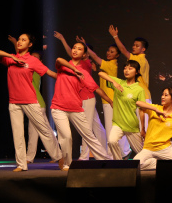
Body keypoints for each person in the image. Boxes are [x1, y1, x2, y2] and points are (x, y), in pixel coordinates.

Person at [0, 34, 65, 171]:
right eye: (19, 40)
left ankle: (59, 156)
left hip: (30, 101)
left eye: (23, 40)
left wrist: (66, 79)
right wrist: (13, 57)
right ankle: (21, 164)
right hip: (14, 101)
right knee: (18, 134)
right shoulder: (11, 58)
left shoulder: (33, 60)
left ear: (30, 44)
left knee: (44, 129)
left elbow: (49, 72)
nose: (20, 42)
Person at [50, 41, 112, 169]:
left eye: (79, 49)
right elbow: (59, 60)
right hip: (58, 107)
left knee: (89, 135)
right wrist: (74, 69)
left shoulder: (84, 72)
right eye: (74, 48)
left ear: (84, 54)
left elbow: (97, 89)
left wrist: (110, 101)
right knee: (66, 136)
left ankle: (105, 160)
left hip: (75, 108)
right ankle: (67, 163)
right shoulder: (63, 66)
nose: (75, 50)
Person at [76, 35, 130, 158]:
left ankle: (114, 154)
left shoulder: (110, 64)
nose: (109, 53)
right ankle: (123, 151)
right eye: (108, 51)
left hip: (110, 100)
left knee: (111, 128)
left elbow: (95, 57)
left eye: (112, 52)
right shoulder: (110, 65)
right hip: (110, 100)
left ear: (117, 55)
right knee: (113, 127)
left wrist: (85, 46)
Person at [7, 36, 56, 163]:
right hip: (26, 101)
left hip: (37, 103)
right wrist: (15, 43)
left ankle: (56, 155)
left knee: (42, 131)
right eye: (32, 56)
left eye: (36, 58)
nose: (32, 58)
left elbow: (48, 72)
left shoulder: (35, 68)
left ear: (40, 61)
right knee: (35, 132)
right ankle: (30, 157)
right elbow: (19, 58)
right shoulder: (24, 64)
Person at [98, 60, 147, 160]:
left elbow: (142, 110)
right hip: (118, 123)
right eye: (125, 68)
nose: (126, 70)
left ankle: (153, 165)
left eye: (130, 68)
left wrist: (142, 129)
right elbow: (100, 73)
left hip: (131, 125)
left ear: (137, 72)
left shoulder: (139, 90)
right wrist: (114, 82)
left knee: (142, 153)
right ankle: (119, 163)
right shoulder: (119, 83)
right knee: (111, 141)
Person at [108, 25, 151, 101]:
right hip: (141, 95)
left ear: (143, 49)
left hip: (142, 96)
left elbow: (123, 50)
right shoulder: (144, 60)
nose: (134, 47)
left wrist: (115, 36)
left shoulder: (139, 59)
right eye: (134, 45)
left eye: (137, 46)